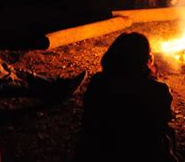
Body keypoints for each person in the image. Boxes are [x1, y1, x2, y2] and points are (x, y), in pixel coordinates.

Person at [75, 32, 178, 162]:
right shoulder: (157, 90)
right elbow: (165, 118)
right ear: (144, 59)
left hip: (96, 152)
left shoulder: (98, 82)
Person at [0, 52, 87, 101]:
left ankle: (62, 83)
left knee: (28, 75)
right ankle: (58, 94)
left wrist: (11, 70)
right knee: (24, 86)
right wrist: (13, 76)